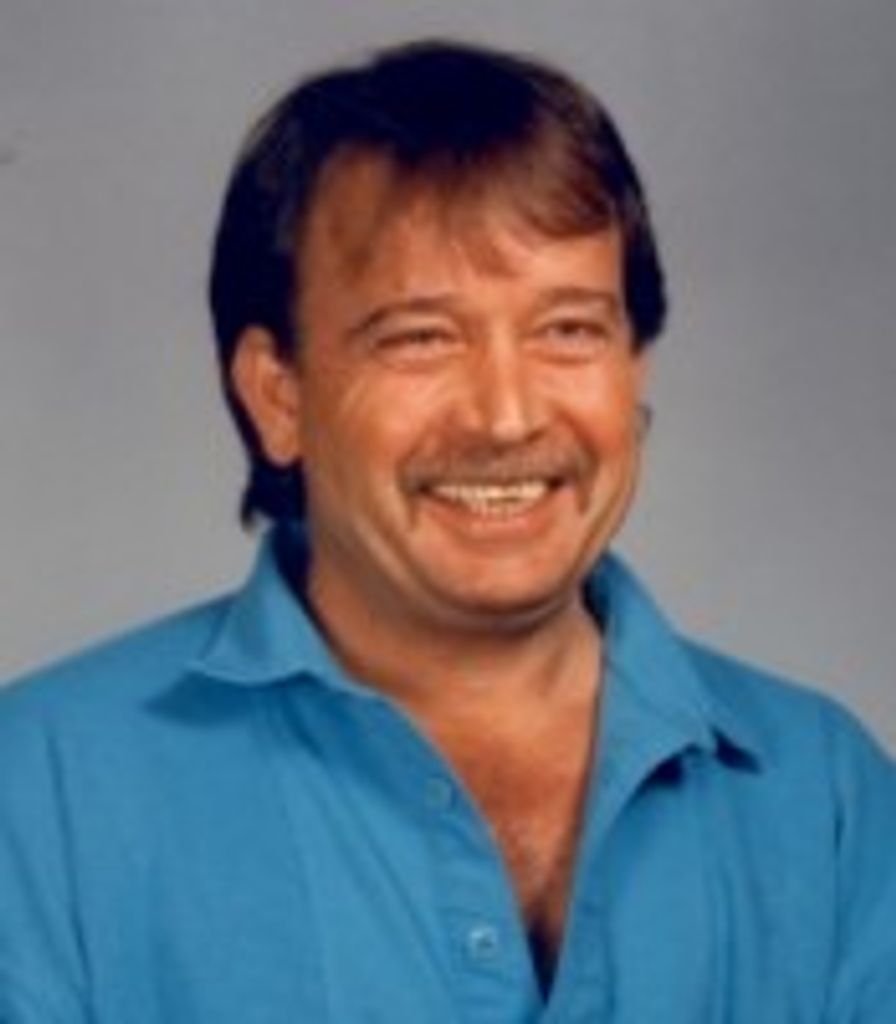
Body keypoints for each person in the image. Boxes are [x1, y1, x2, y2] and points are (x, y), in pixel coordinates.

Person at [1, 39, 894, 1024]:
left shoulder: (827, 796)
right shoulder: (39, 797)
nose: (506, 417)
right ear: (277, 396)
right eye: (420, 338)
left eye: (568, 329)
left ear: (632, 369)